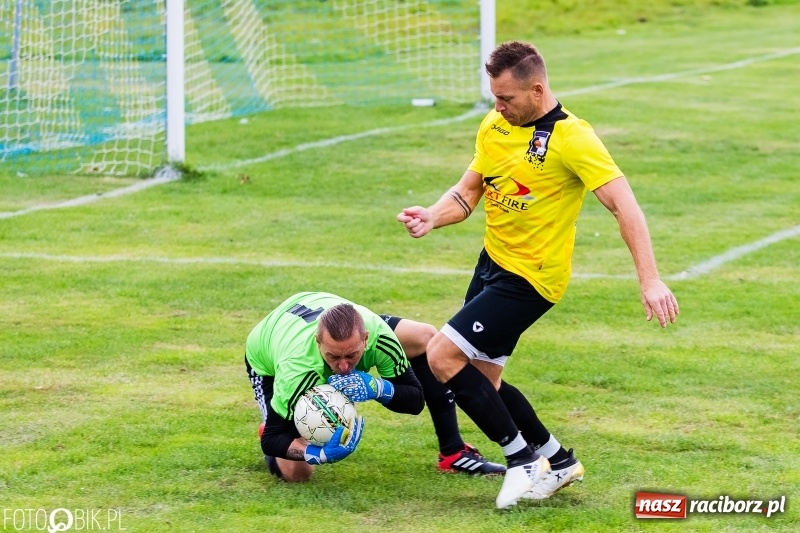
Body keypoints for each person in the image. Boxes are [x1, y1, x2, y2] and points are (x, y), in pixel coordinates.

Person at [397, 41, 679, 509]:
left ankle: (521, 460)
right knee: (483, 382)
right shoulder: (495, 124)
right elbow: (470, 190)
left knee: (441, 355)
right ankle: (559, 461)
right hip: (492, 264)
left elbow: (624, 204)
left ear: (537, 89)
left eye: (506, 98)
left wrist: (649, 279)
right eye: (494, 97)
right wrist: (432, 214)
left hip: (531, 280)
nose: (497, 106)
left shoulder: (575, 139)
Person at [245, 291, 504, 483]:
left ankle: (453, 452)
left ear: (365, 339)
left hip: (324, 311)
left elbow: (415, 401)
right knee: (298, 475)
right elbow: (272, 440)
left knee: (426, 337)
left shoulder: (378, 337)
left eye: (352, 356)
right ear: (318, 343)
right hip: (267, 351)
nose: (345, 366)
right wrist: (318, 454)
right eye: (334, 357)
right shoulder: (297, 370)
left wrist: (379, 387)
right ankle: (275, 413)